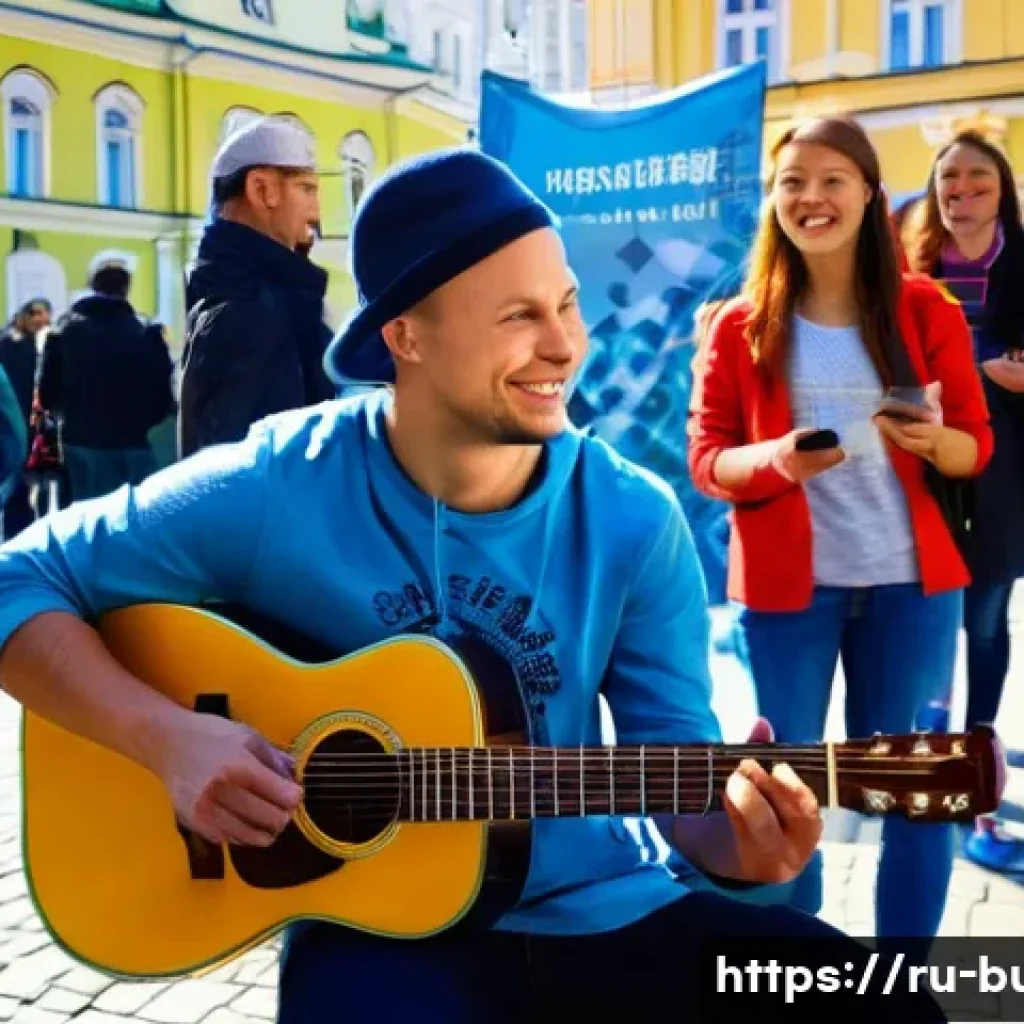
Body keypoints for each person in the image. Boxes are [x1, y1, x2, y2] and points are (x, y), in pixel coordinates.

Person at [0, 148, 945, 1022]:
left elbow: (680, 779)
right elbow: (19, 579)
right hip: (379, 928)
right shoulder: (280, 482)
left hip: (603, 907)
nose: (566, 346)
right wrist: (169, 740)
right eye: (519, 316)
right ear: (405, 336)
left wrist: (744, 854)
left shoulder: (631, 517)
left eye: (567, 304)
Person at [687, 117, 993, 952]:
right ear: (773, 201)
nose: (811, 197)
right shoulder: (739, 327)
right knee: (785, 794)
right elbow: (709, 462)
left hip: (914, 589)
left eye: (831, 179)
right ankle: (803, 968)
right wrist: (780, 460)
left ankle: (897, 986)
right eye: (792, 182)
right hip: (789, 596)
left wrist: (935, 443)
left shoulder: (924, 309)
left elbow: (974, 446)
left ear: (868, 191)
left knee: (920, 795)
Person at [902, 130, 1024, 871]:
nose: (962, 191)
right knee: (923, 607)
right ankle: (929, 746)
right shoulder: (911, 261)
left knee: (983, 614)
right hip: (922, 464)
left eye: (978, 178)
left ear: (1001, 188)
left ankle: (977, 757)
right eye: (949, 179)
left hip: (1007, 466)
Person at [177, 115, 335, 459]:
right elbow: (237, 474)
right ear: (262, 190)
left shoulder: (268, 296)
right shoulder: (245, 311)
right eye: (306, 189)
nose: (317, 210)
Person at [37, 260, 176, 503]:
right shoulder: (147, 334)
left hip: (81, 439)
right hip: (135, 441)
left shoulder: (65, 331)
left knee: (84, 517)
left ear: (93, 286)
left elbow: (47, 393)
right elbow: (164, 394)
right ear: (126, 289)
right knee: (134, 518)